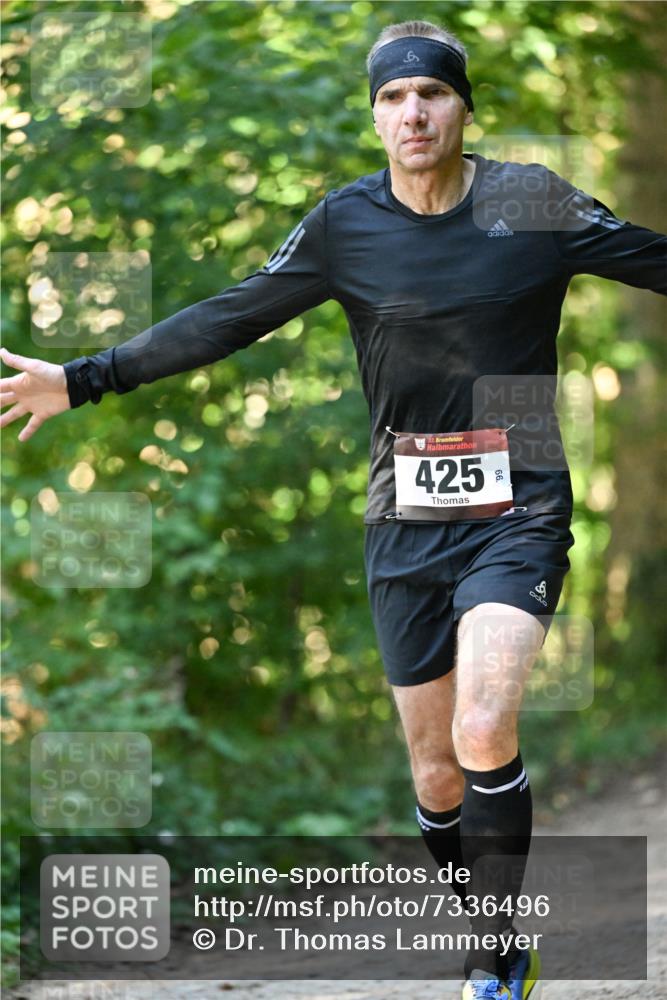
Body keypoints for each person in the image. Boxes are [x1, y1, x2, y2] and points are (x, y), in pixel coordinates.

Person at [2, 18, 665, 1000]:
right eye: (393, 98)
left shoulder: (528, 201)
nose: (413, 113)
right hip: (403, 516)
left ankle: (492, 965)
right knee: (437, 776)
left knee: (485, 728)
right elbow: (229, 314)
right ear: (373, 115)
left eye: (431, 94)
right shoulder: (343, 224)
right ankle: (498, 931)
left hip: (517, 496)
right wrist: (86, 377)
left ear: (462, 105)